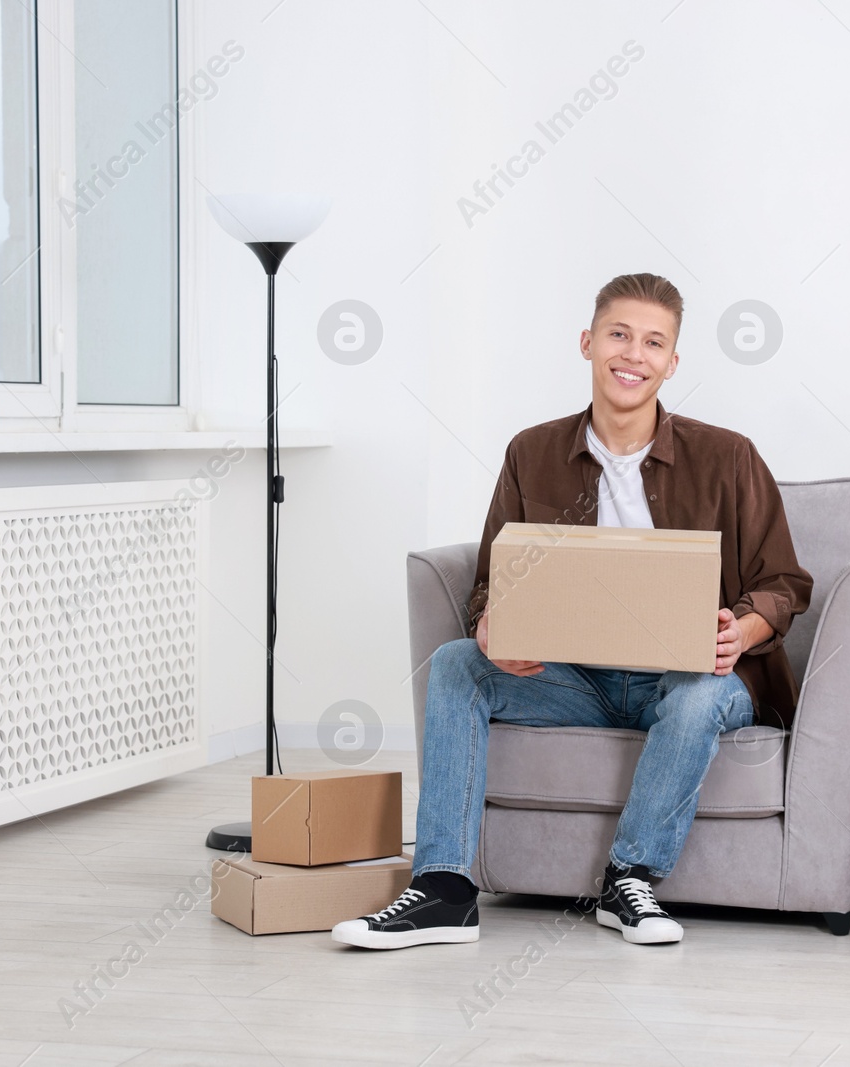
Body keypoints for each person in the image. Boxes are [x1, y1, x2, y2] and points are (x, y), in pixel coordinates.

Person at [332, 273, 813, 950]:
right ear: (588, 343)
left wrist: (744, 628)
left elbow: (785, 582)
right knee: (455, 663)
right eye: (619, 334)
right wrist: (490, 626)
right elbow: (488, 584)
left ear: (672, 363)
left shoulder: (727, 457)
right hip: (574, 681)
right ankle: (443, 888)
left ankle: (629, 878)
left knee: (701, 692)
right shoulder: (532, 453)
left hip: (684, 679)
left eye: (653, 342)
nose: (633, 354)